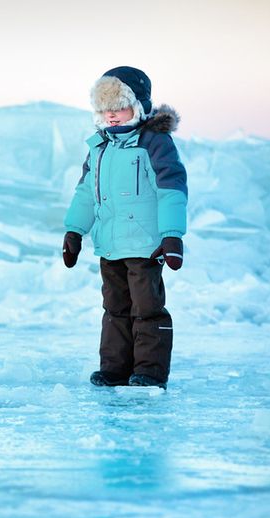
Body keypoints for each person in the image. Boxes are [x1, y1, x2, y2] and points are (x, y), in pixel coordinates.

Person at [62, 66, 187, 390]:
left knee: (148, 310)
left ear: (140, 105)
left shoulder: (154, 143)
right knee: (114, 310)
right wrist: (74, 231)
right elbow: (86, 192)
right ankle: (115, 369)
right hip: (111, 246)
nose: (112, 115)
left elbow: (171, 188)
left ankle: (149, 372)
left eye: (119, 106)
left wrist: (172, 235)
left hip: (147, 246)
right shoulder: (99, 147)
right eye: (105, 109)